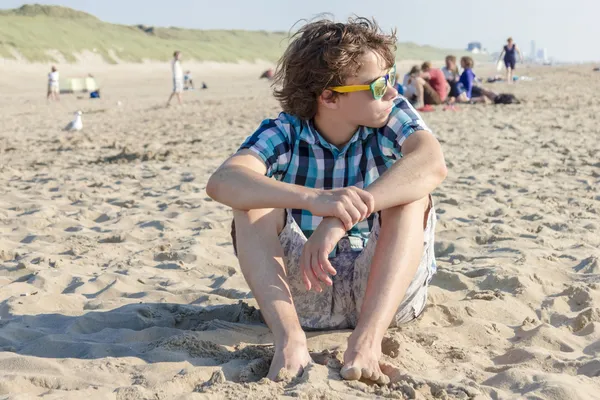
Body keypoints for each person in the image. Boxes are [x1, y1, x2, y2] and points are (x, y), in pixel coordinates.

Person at [207, 17, 447, 385]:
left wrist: (338, 220)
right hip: (307, 291)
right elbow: (223, 181)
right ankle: (289, 341)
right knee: (253, 201)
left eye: (392, 78)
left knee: (412, 197)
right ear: (329, 96)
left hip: (382, 291)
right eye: (379, 84)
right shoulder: (286, 131)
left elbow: (431, 163)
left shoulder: (388, 116)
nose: (393, 92)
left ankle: (368, 342)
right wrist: (315, 199)